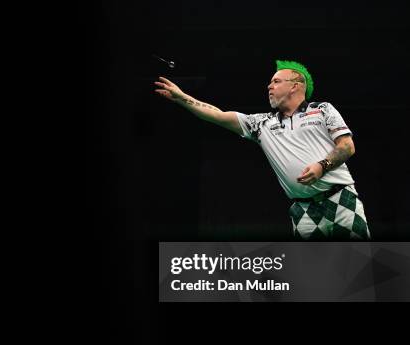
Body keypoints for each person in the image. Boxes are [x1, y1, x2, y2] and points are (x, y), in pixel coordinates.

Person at [154, 60, 370, 240]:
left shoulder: (322, 110)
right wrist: (182, 98)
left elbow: (347, 146)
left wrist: (322, 167)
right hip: (303, 210)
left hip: (341, 200)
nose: (269, 86)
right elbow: (218, 115)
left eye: (276, 81)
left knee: (357, 273)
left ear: (295, 85)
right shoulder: (261, 124)